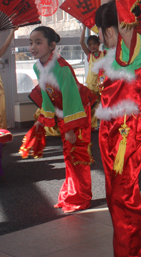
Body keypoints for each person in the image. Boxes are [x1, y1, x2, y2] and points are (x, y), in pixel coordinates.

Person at [92, 0, 141, 257]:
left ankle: (136, 251)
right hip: (108, 129)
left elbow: (119, 13)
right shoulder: (112, 48)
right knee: (114, 195)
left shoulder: (130, 46)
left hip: (128, 130)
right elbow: (110, 8)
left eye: (108, 30)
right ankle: (135, 249)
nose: (104, 36)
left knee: (124, 195)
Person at [30, 26, 94, 213]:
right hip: (64, 112)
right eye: (31, 42)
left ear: (52, 46)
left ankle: (80, 197)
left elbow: (71, 98)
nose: (33, 46)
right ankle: (71, 192)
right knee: (68, 153)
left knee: (77, 153)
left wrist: (71, 129)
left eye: (38, 42)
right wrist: (43, 118)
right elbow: (46, 94)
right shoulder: (37, 66)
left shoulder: (62, 67)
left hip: (78, 112)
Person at [79, 29, 105, 130]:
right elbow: (81, 42)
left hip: (102, 83)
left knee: (104, 104)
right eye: (90, 45)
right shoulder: (89, 55)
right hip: (91, 83)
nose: (92, 46)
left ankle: (105, 124)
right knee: (92, 104)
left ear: (98, 44)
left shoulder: (104, 53)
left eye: (94, 44)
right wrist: (84, 27)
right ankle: (93, 125)